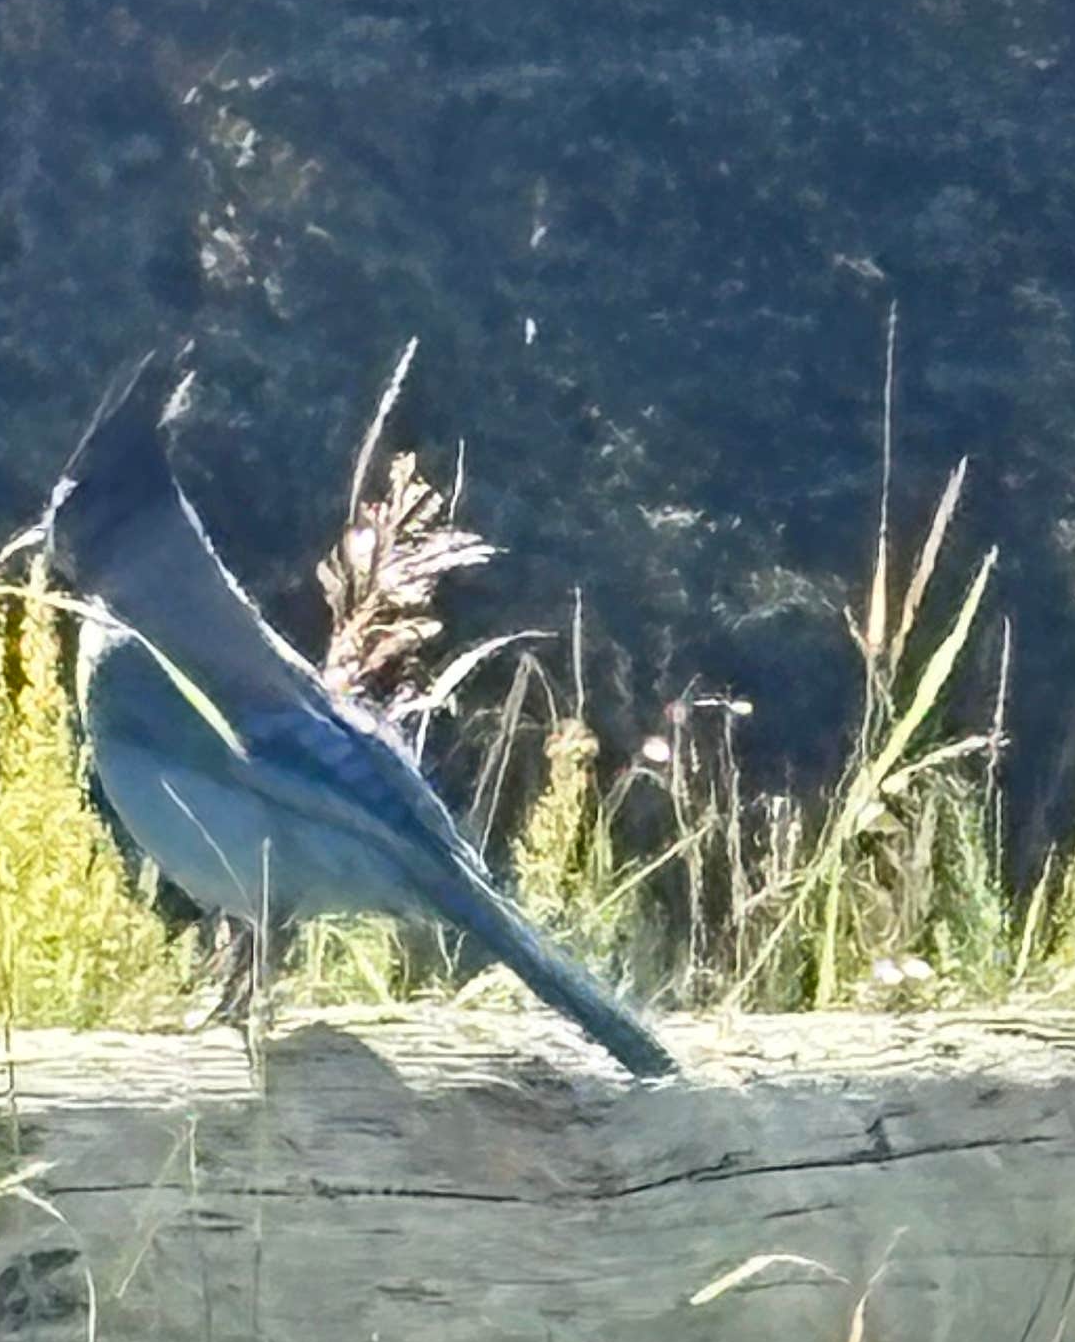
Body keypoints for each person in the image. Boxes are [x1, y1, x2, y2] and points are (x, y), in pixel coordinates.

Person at [44, 352, 675, 1078]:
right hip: (347, 810)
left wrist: (414, 843)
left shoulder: (126, 655)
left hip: (323, 823)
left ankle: (241, 1008)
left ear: (110, 524)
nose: (52, 544)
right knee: (490, 925)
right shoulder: (167, 613)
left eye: (68, 519)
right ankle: (241, 1000)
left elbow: (274, 781)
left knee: (472, 920)